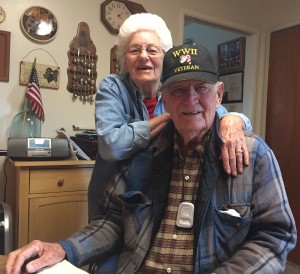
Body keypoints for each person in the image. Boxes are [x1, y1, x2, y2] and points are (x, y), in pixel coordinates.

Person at [6, 44, 296, 274]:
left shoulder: (253, 154)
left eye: (202, 89)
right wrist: (63, 248)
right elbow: (112, 221)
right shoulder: (142, 151)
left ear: (219, 94)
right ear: (164, 100)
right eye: (179, 91)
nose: (191, 100)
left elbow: (275, 237)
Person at [88, 13, 252, 220]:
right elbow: (112, 146)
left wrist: (233, 120)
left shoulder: (177, 90)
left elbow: (214, 113)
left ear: (165, 57)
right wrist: (170, 116)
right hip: (110, 199)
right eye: (134, 50)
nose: (144, 56)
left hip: (152, 197)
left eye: (152, 50)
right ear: (124, 58)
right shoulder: (113, 86)